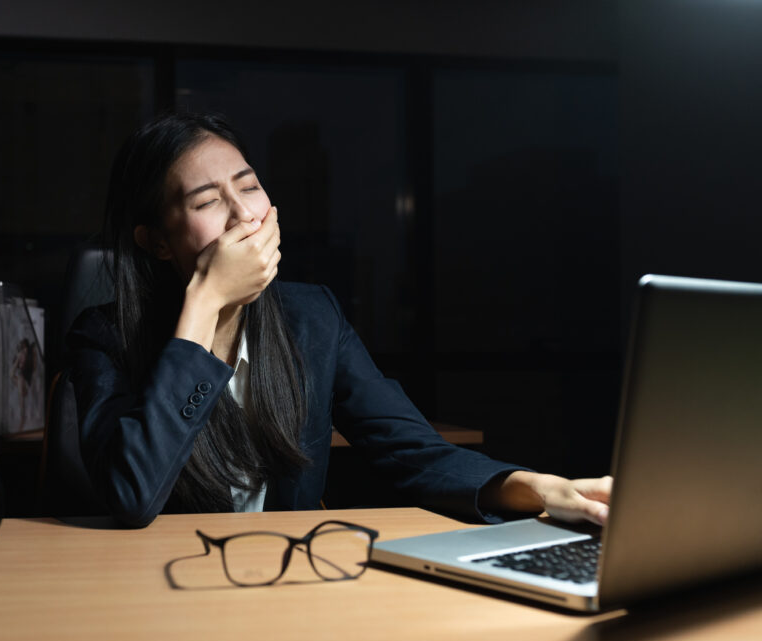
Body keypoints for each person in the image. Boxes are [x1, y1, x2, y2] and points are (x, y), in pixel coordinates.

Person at [57, 112, 612, 528]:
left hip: (284, 590)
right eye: (207, 202)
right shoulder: (102, 337)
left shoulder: (311, 318)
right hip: (152, 601)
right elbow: (131, 495)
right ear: (156, 242)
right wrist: (204, 302)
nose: (245, 214)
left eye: (249, 186)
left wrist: (540, 489)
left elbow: (412, 452)